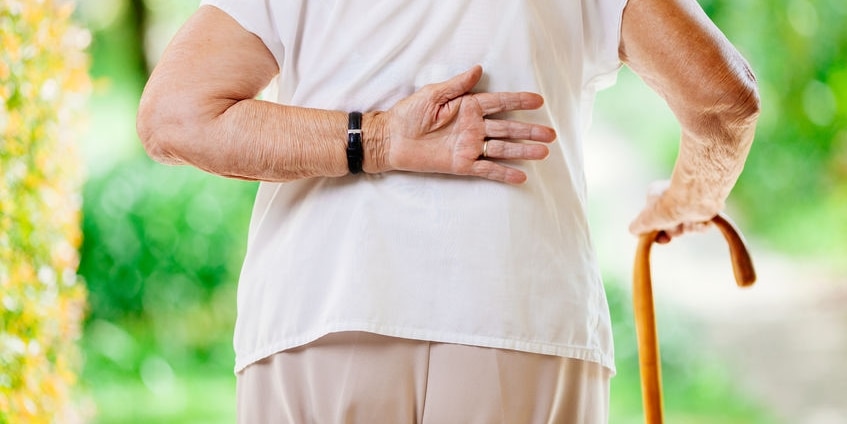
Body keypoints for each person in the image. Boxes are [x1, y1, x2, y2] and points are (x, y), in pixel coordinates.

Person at [136, 0, 759, 422]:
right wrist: (689, 198)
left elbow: (177, 115)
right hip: (521, 320)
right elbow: (723, 100)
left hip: (321, 312)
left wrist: (376, 139)